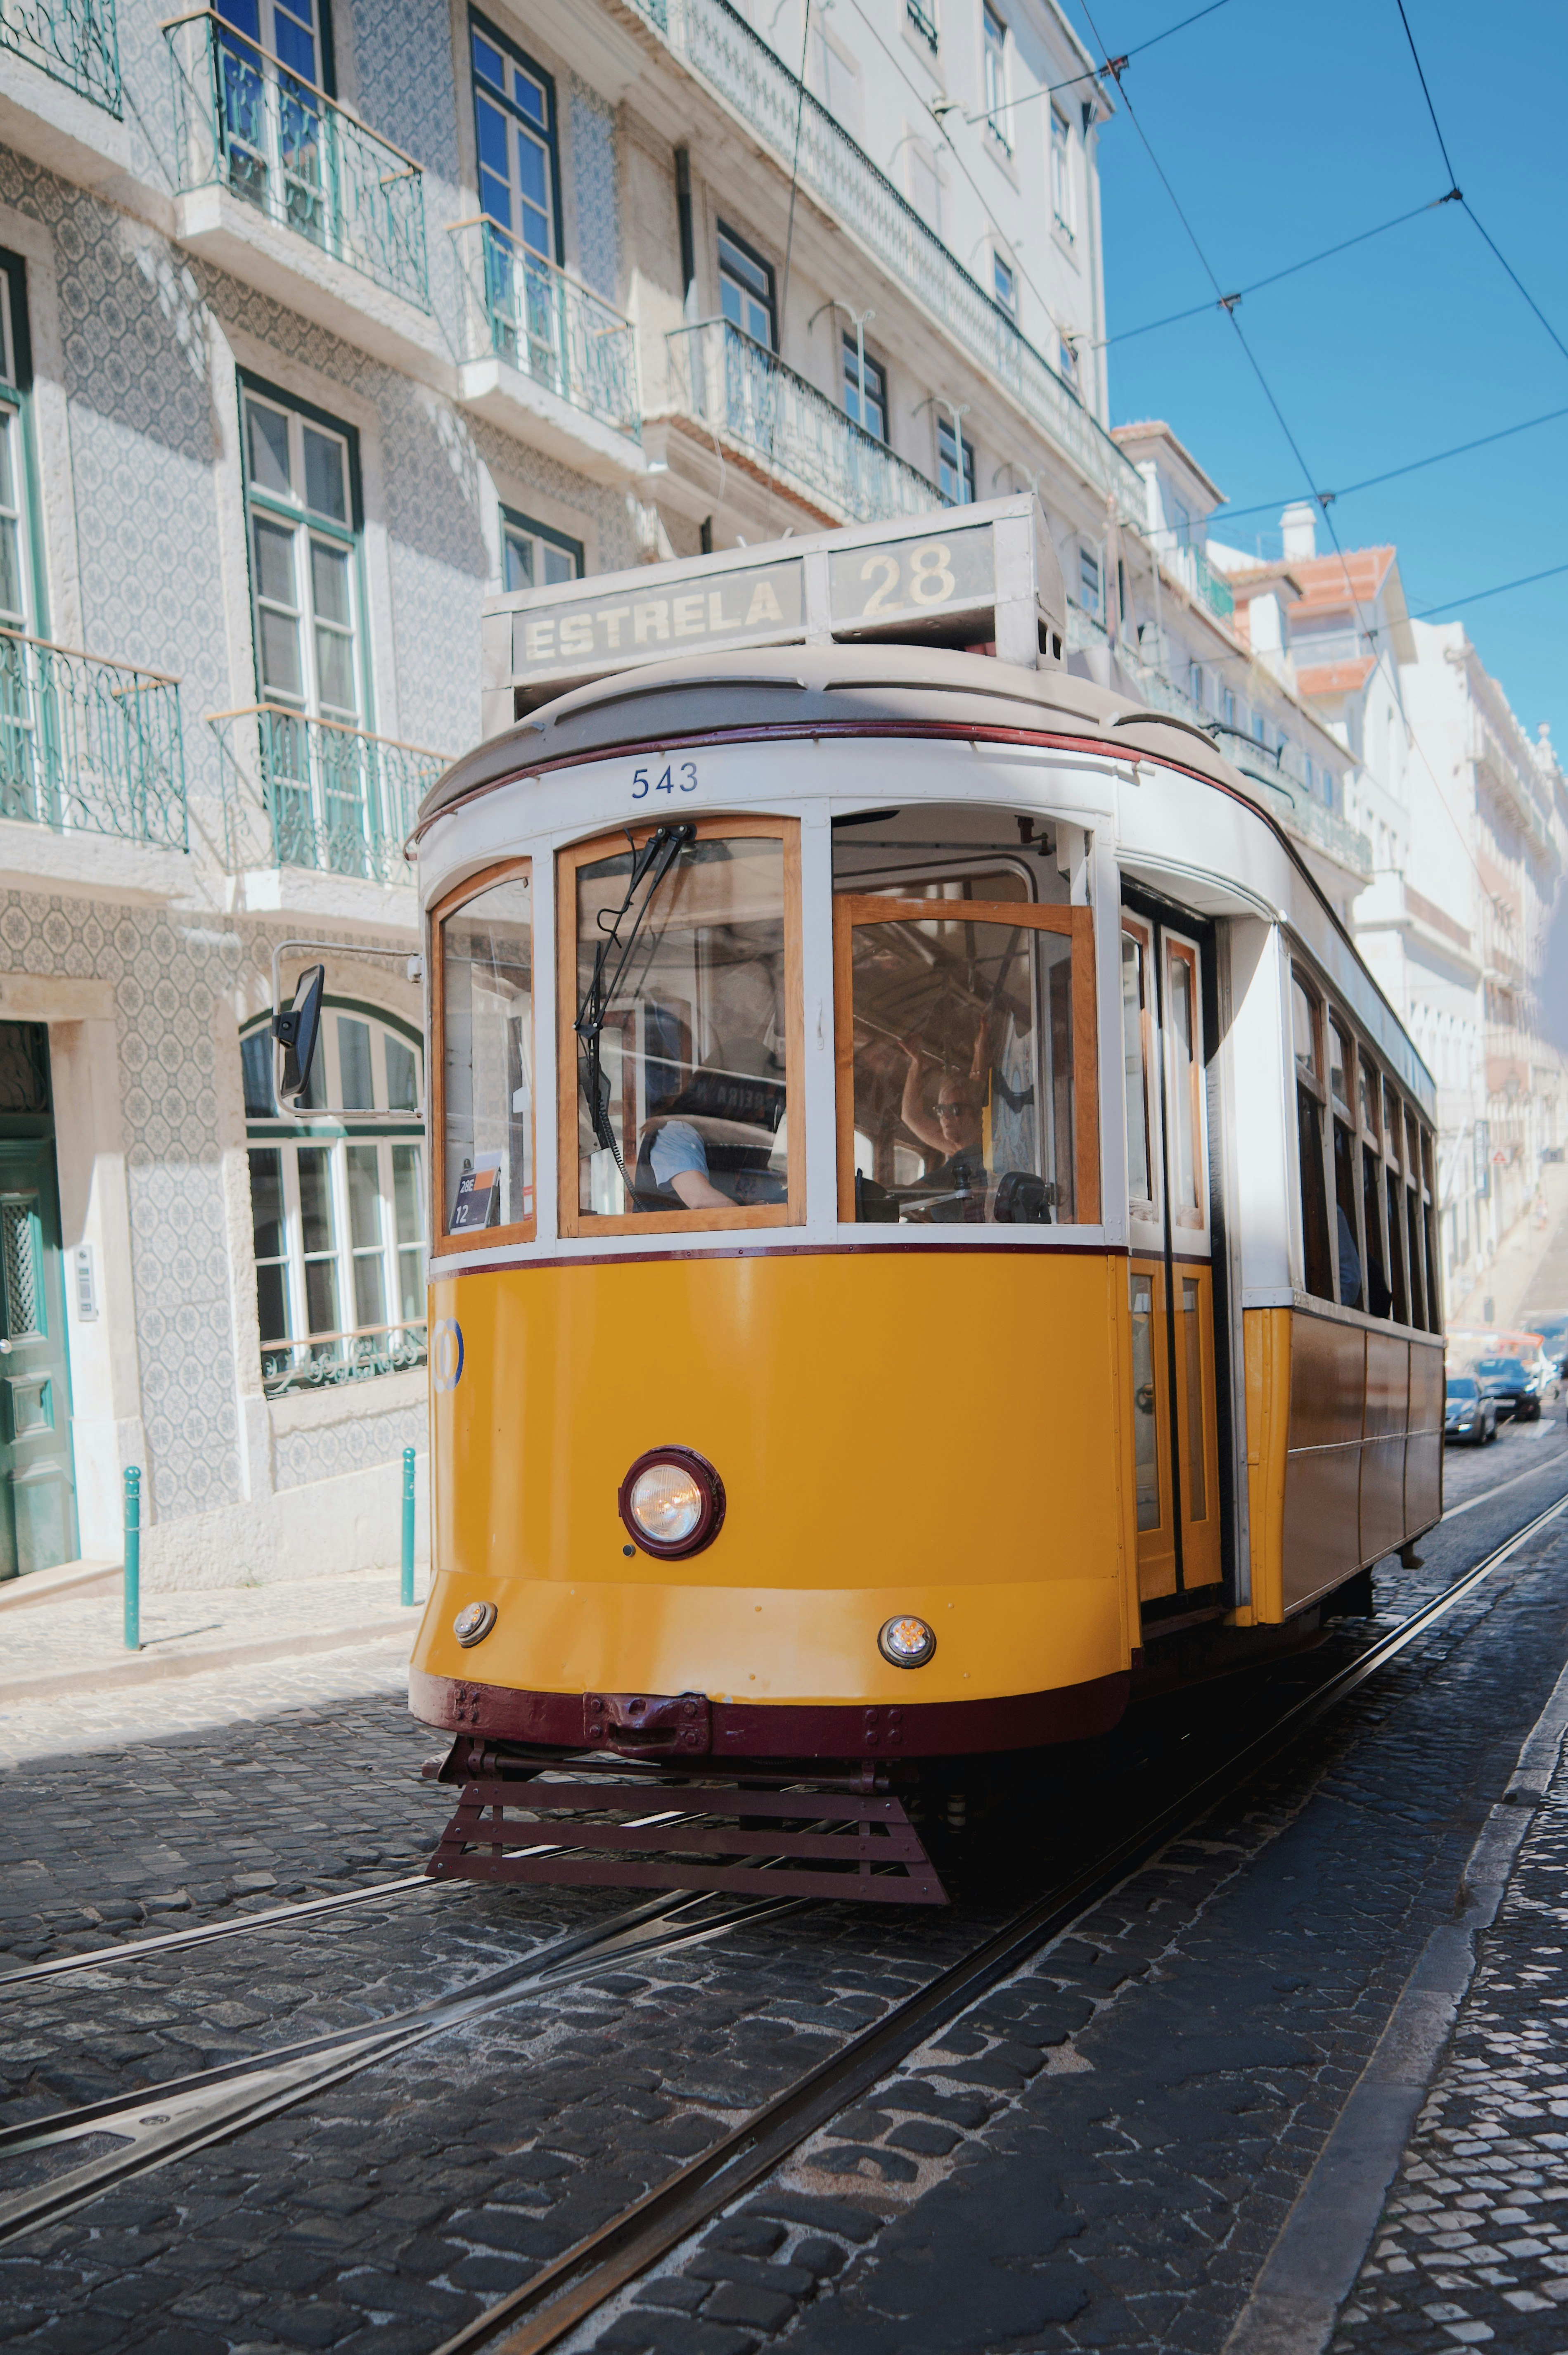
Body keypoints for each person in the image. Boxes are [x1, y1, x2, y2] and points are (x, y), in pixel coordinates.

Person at [900, 1038, 990, 1219]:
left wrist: (981, 1044)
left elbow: (977, 1086)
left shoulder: (982, 1149)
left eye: (955, 1110)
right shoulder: (952, 1145)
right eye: (941, 1110)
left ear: (974, 1113)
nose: (946, 1117)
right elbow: (910, 1116)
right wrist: (917, 1063)